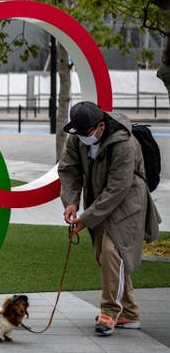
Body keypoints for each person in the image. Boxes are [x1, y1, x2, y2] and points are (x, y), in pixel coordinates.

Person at [58, 101, 160, 336]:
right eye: (79, 133)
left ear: (101, 126)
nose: (83, 137)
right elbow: (68, 169)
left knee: (113, 252)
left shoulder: (125, 143)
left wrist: (85, 219)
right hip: (99, 201)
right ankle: (131, 313)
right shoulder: (78, 136)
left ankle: (109, 312)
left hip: (127, 203)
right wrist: (71, 201)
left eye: (87, 133)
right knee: (103, 257)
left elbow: (118, 189)